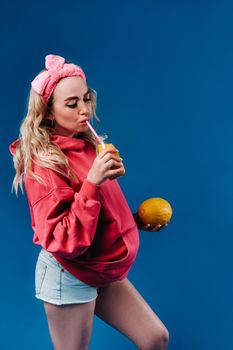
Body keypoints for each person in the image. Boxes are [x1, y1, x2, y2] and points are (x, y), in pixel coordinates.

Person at [10, 54, 169, 350]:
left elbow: (96, 212)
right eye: (72, 104)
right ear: (48, 113)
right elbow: (64, 238)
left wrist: (133, 221)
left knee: (154, 338)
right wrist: (93, 181)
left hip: (98, 265)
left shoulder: (87, 145)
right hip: (67, 272)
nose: (85, 110)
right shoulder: (44, 165)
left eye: (87, 99)